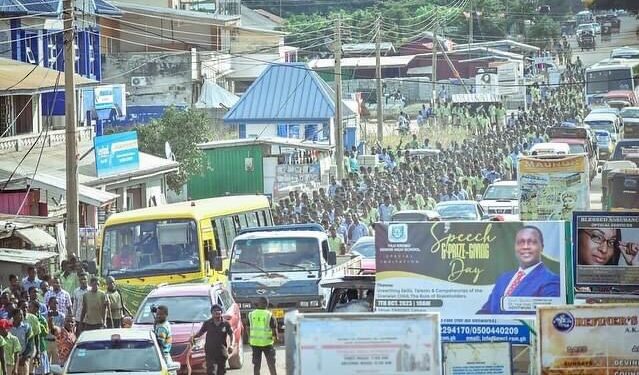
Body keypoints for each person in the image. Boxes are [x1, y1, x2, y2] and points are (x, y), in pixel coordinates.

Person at [478, 226, 560, 314]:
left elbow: (547, 317)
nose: (525, 247)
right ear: (515, 247)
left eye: (532, 242)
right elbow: (486, 310)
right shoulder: (503, 278)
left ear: (542, 247)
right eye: (520, 242)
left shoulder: (551, 281)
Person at [191, 305, 234, 375]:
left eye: (218, 310)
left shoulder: (226, 324)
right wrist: (193, 337)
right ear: (212, 313)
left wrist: (231, 345)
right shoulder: (207, 323)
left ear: (221, 312)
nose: (217, 312)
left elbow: (232, 335)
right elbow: (200, 333)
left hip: (221, 352)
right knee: (211, 372)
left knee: (221, 372)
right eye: (215, 311)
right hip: (210, 352)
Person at [247, 297, 277, 375]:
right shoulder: (269, 315)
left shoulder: (251, 314)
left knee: (256, 365)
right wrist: (275, 338)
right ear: (266, 304)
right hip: (267, 343)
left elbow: (247, 327)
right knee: (271, 364)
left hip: (255, 344)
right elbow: (274, 329)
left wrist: (249, 338)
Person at [9, 309, 33, 375]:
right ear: (14, 316)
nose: (22, 316)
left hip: (22, 357)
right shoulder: (8, 327)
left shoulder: (27, 327)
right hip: (10, 359)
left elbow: (30, 343)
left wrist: (24, 357)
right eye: (20, 314)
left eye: (22, 314)